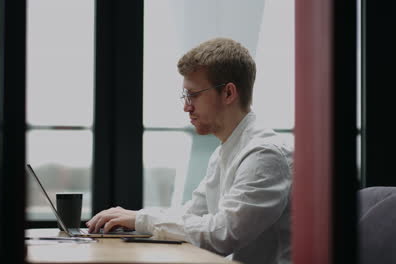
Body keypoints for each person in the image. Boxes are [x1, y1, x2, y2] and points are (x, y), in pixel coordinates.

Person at [86, 37, 293, 264]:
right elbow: (191, 215)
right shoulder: (226, 151)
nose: (186, 107)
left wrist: (141, 220)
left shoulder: (264, 154)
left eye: (193, 95)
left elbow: (222, 234)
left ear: (228, 93)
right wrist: (130, 218)